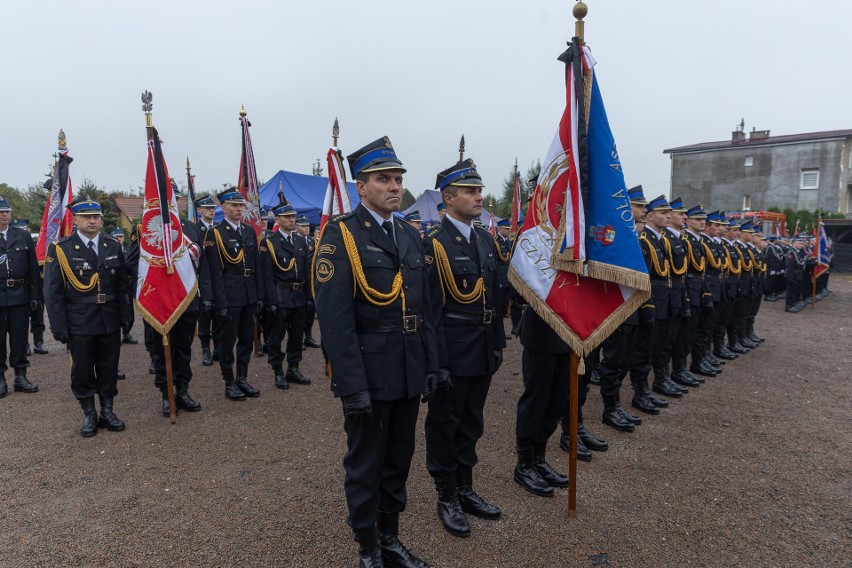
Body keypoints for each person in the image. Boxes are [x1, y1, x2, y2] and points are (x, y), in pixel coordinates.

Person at [313, 136, 437, 568]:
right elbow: (334, 318)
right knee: (366, 462)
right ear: (361, 186)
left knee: (398, 459)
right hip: (369, 369)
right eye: (383, 179)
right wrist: (351, 385)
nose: (394, 186)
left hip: (406, 368)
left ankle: (391, 538)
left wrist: (432, 364)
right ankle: (367, 547)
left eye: (398, 178)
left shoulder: (406, 231)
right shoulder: (341, 234)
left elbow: (423, 306)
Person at [423, 157, 506, 538]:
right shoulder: (434, 245)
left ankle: (465, 487)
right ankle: (446, 496)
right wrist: (435, 364)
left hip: (483, 346)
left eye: (479, 190)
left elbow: (496, 296)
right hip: (453, 352)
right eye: (470, 191)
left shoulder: (486, 240)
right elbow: (430, 312)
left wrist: (498, 343)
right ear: (448, 197)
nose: (479, 197)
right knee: (445, 424)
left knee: (472, 421)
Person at [43, 199, 132, 436]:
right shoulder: (61, 248)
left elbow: (123, 285)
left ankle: (108, 411)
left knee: (108, 367)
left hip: (109, 318)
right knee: (82, 369)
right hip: (79, 319)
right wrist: (59, 325)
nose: (92, 221)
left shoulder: (112, 245)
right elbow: (53, 292)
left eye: (96, 217)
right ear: (76, 220)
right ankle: (89, 414)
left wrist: (127, 315)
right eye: (87, 217)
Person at [126, 216, 210, 416]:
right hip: (159, 301)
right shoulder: (144, 227)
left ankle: (182, 391)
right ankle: (166, 394)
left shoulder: (189, 227)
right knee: (162, 350)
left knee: (183, 349)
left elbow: (201, 263)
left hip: (186, 298)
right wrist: (155, 284)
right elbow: (131, 264)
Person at [596, 186, 653, 432]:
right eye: (639, 206)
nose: (644, 210)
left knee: (627, 357)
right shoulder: (614, 235)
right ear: (626, 207)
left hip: (634, 306)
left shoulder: (637, 237)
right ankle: (610, 407)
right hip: (616, 306)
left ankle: (616, 404)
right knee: (614, 359)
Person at [204, 188, 262, 401]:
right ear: (223, 207)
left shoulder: (248, 232)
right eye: (234, 205)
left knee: (247, 339)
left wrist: (258, 296)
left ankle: (242, 377)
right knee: (228, 341)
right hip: (229, 294)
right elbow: (214, 271)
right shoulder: (215, 233)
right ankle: (229, 381)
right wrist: (220, 302)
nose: (239, 209)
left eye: (241, 205)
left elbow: (255, 266)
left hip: (248, 294)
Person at [260, 202, 312, 389]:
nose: (292, 219)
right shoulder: (270, 242)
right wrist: (270, 301)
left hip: (299, 294)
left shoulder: (299, 241)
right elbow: (266, 274)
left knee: (297, 334)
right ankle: (277, 370)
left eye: (293, 216)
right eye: (288, 217)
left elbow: (306, 271)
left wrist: (308, 296)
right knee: (277, 335)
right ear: (278, 219)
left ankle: (293, 367)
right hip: (280, 294)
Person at [0, 201, 40, 397]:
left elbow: (33, 268)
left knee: (20, 338)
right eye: (1, 212)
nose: (4, 215)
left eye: (6, 211)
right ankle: (0, 379)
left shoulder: (22, 236)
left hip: (20, 294)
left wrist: (35, 295)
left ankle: (20, 376)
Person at [194, 195, 221, 365]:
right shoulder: (194, 230)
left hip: (219, 278)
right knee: (204, 315)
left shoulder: (219, 229)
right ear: (199, 210)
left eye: (213, 208)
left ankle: (218, 347)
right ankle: (205, 348)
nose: (212, 211)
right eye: (208, 208)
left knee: (220, 315)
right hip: (202, 279)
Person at [295, 214, 321, 349]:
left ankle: (308, 336)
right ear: (296, 227)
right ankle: (298, 339)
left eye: (307, 226)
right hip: (300, 281)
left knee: (311, 311)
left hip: (312, 281)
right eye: (303, 226)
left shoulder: (313, 241)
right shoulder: (293, 241)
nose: (306, 228)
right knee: (300, 312)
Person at [110, 227, 138, 346]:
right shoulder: (109, 251)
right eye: (116, 237)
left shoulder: (128, 251)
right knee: (114, 311)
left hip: (128, 285)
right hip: (114, 286)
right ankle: (115, 334)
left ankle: (127, 333)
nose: (119, 239)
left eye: (121, 236)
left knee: (128, 310)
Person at [493, 219, 513, 340]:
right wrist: (498, 280)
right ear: (499, 228)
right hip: (500, 279)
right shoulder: (495, 242)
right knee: (499, 308)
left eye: (509, 228)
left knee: (504, 308)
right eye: (506, 228)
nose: (508, 230)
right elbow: (495, 262)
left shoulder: (508, 242)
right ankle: (498, 333)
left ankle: (500, 332)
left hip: (508, 278)